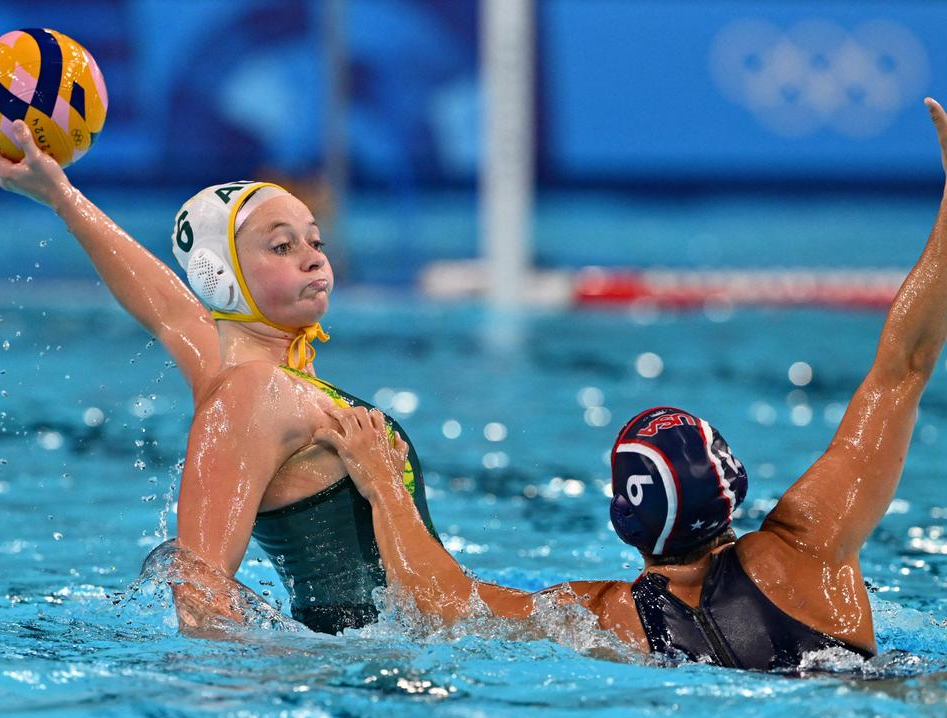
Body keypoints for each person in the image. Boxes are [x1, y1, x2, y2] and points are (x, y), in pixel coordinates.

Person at [312, 97, 947, 671]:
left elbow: (443, 607)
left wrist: (382, 483)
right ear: (733, 485)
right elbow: (905, 367)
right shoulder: (810, 549)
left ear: (622, 519)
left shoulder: (609, 620)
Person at [0, 120, 438, 635]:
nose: (313, 256)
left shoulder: (253, 375)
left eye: (313, 241)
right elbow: (202, 604)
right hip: (370, 673)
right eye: (282, 247)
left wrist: (61, 196)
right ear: (222, 276)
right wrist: (311, 671)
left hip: (374, 660)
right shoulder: (252, 392)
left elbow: (170, 310)